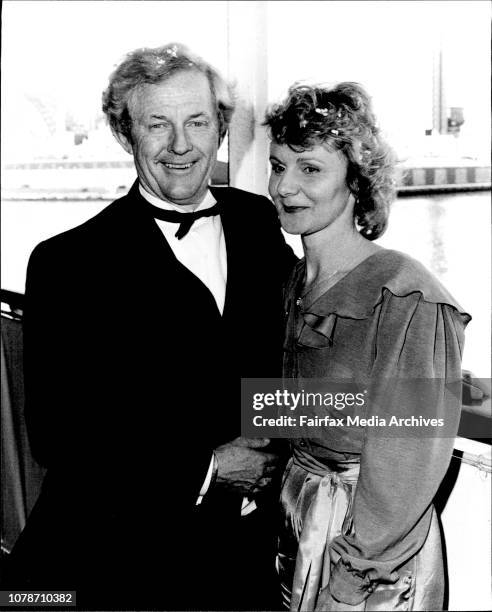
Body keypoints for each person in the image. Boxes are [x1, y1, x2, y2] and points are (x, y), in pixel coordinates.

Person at [4, 43, 296, 610]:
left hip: (243, 554)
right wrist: (209, 466)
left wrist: (417, 382)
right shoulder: (67, 263)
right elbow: (59, 434)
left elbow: (288, 354)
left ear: (219, 128)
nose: (181, 145)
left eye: (197, 122)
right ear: (125, 134)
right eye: (158, 124)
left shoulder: (256, 221)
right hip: (115, 561)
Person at [263, 82, 471, 611]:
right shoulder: (293, 282)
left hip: (369, 553)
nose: (285, 187)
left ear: (356, 182)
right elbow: (320, 409)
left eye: (310, 169)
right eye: (278, 164)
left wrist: (356, 571)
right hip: (298, 521)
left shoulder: (406, 294)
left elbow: (410, 453)